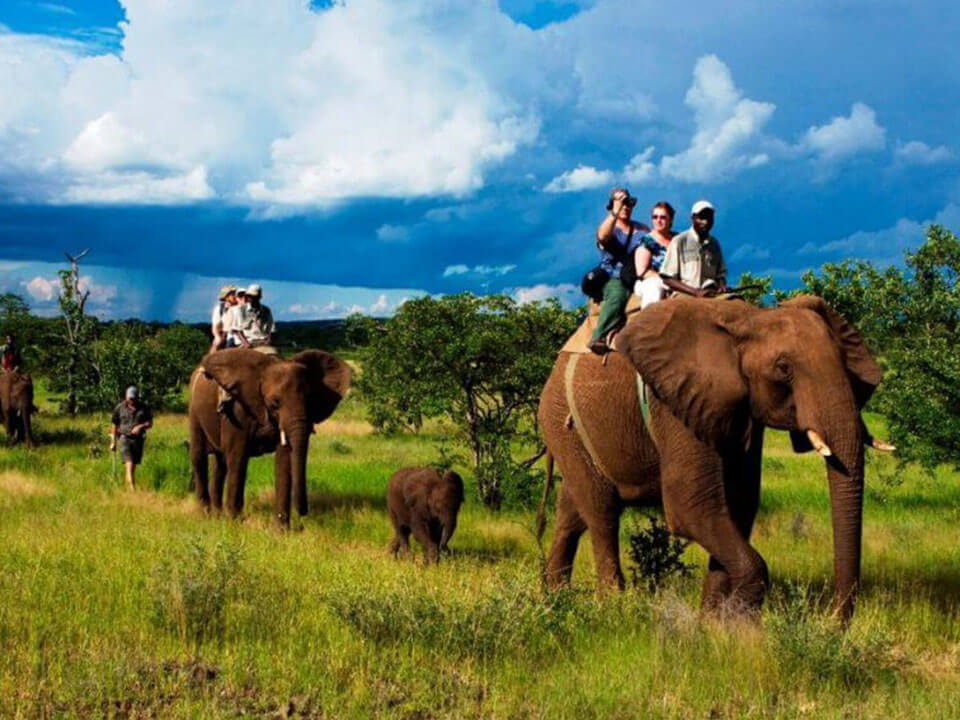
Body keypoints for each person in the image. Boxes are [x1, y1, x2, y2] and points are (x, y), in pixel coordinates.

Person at [588, 188, 650, 354]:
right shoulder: (609, 228)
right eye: (621, 202)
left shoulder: (642, 229)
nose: (625, 206)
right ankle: (598, 336)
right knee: (617, 295)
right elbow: (602, 236)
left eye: (628, 202)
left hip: (639, 275)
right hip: (614, 276)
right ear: (612, 205)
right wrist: (614, 213)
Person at [659, 200, 728, 298]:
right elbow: (667, 278)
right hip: (685, 294)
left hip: (711, 292)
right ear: (693, 218)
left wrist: (722, 285)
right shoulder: (679, 241)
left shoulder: (714, 244)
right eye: (702, 217)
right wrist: (695, 292)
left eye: (709, 217)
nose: (706, 221)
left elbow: (721, 274)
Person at [631, 201, 676, 308]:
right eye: (655, 217)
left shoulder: (677, 239)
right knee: (654, 287)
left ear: (671, 219)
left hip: (676, 280)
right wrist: (666, 281)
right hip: (651, 281)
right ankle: (648, 322)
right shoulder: (646, 241)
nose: (658, 220)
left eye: (663, 217)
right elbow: (642, 272)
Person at [110, 386, 153, 491]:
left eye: (133, 398)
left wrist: (140, 426)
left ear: (137, 397)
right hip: (124, 438)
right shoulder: (119, 408)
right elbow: (114, 425)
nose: (131, 401)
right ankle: (133, 490)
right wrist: (113, 442)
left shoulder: (144, 408)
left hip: (138, 440)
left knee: (132, 466)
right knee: (129, 464)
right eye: (130, 398)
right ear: (126, 397)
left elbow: (150, 423)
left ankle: (127, 489)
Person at [234, 284, 276, 352]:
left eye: (255, 296)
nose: (252, 299)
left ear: (259, 297)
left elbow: (272, 329)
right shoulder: (240, 310)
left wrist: (269, 340)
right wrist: (246, 343)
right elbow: (237, 330)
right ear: (247, 297)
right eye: (250, 296)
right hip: (248, 342)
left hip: (263, 341)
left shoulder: (266, 310)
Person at [210, 285, 239, 353]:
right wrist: (217, 337)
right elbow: (215, 326)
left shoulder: (241, 307)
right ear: (226, 297)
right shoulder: (220, 309)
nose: (235, 296)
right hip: (224, 335)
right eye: (232, 294)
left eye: (235, 293)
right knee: (215, 346)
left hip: (238, 334)